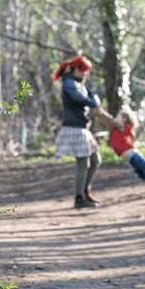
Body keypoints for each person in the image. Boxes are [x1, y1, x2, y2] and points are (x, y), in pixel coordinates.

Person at [52, 56, 102, 208]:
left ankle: (86, 191)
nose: (85, 74)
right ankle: (79, 198)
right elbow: (77, 98)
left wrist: (95, 99)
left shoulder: (81, 83)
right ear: (75, 69)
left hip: (82, 128)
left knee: (95, 160)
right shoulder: (68, 83)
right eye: (83, 71)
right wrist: (94, 103)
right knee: (83, 164)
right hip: (74, 129)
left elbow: (90, 93)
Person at [93, 106, 145, 179]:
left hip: (133, 156)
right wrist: (99, 114)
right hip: (131, 159)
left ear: (124, 119)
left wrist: (101, 112)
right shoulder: (117, 129)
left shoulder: (123, 127)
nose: (115, 117)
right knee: (144, 176)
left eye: (118, 116)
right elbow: (108, 122)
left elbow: (110, 120)